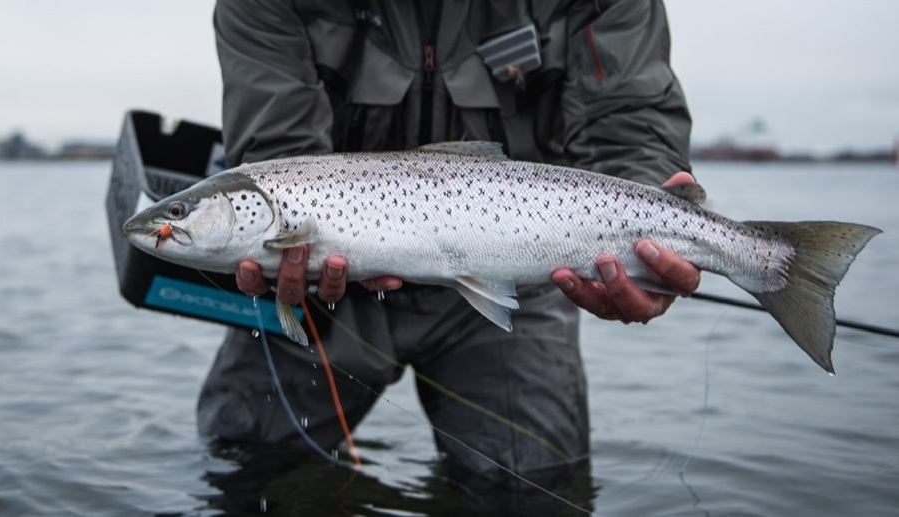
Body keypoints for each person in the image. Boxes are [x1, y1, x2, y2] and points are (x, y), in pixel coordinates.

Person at [199, 0, 699, 510]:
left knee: (533, 493)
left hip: (521, 273)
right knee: (242, 472)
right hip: (325, 291)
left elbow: (629, 121)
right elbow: (280, 153)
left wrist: (650, 233)